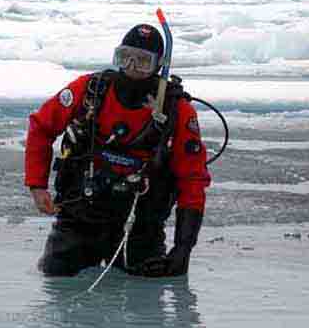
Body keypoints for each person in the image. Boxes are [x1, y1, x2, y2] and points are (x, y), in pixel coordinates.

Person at [25, 23, 211, 277]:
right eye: (125, 57)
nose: (132, 67)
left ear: (159, 65)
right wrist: (37, 186)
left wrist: (182, 249)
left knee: (144, 310)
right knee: (56, 282)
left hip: (141, 230)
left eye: (143, 61)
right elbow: (41, 126)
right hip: (80, 219)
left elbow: (192, 178)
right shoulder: (90, 90)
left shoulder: (176, 111)